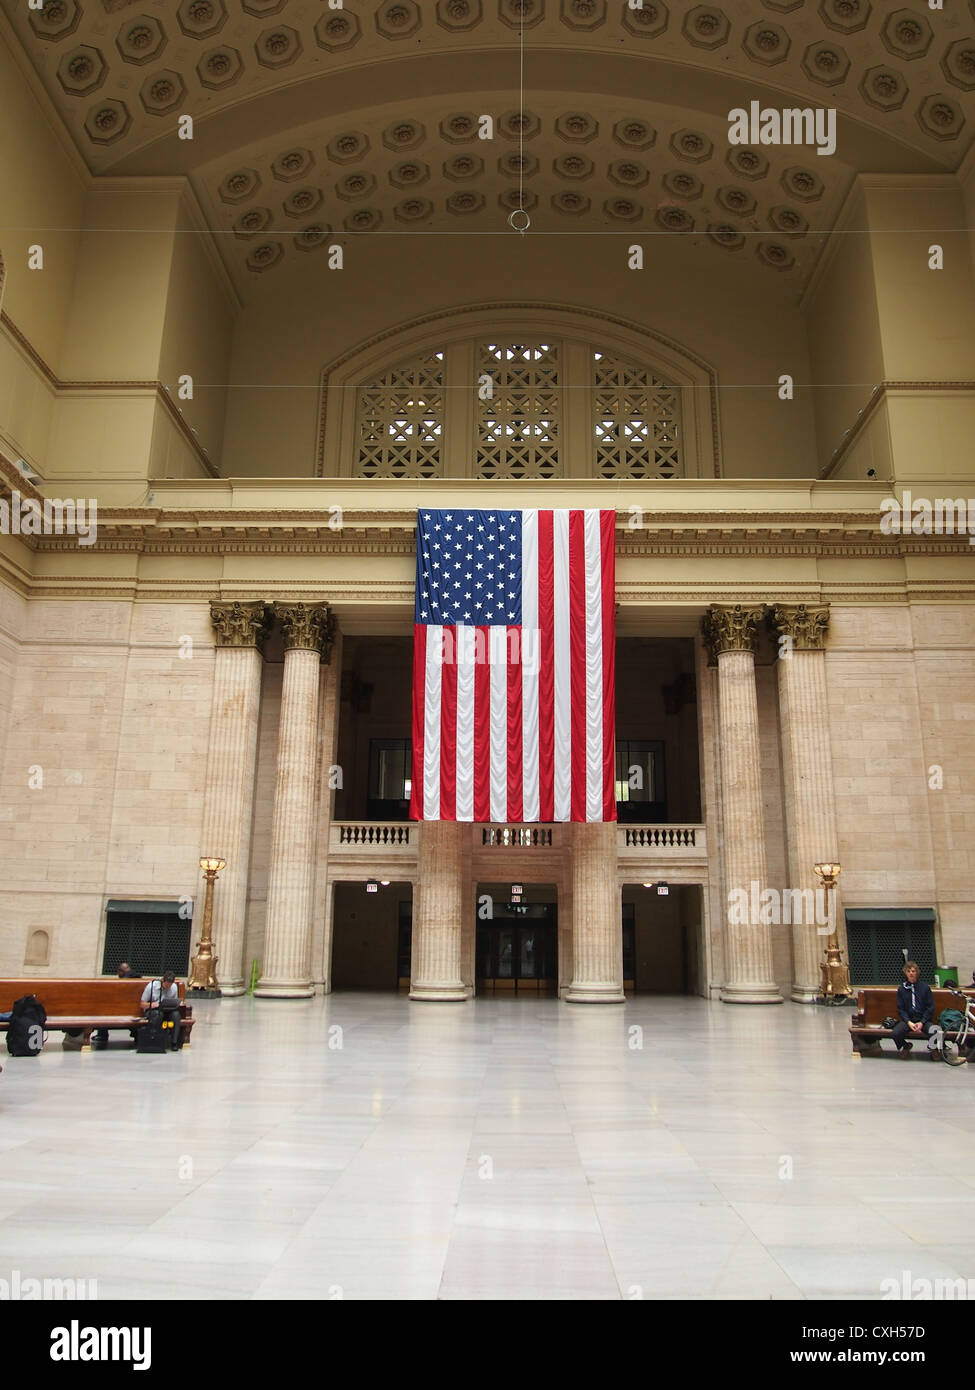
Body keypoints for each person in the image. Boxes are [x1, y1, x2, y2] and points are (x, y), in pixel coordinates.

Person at [891, 960, 936, 1056]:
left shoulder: (925, 988)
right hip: (909, 1020)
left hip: (922, 1019)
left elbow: (930, 1007)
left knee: (935, 1031)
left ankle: (934, 1049)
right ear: (905, 973)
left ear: (917, 972)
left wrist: (922, 1022)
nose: (911, 973)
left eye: (913, 971)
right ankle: (905, 1046)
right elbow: (901, 1008)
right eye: (908, 971)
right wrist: (908, 1021)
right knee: (895, 1033)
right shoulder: (902, 989)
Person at [93, 962, 142, 1043]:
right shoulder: (138, 978)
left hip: (120, 1011)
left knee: (103, 1011)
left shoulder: (121, 983)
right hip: (135, 1012)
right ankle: (136, 1034)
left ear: (121, 971)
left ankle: (102, 1035)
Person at [142, 970, 182, 1050]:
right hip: (153, 1010)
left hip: (167, 1010)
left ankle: (174, 1042)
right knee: (158, 1014)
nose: (168, 988)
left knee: (176, 1015)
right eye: (166, 986)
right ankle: (156, 1040)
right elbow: (142, 1004)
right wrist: (152, 1004)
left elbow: (174, 1001)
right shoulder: (151, 986)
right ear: (162, 981)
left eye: (169, 986)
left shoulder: (174, 987)